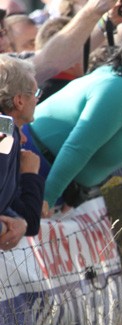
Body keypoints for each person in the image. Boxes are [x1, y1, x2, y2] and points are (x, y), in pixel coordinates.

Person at [23, 26, 122, 210]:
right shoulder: (120, 87)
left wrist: (75, 192)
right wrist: (47, 198)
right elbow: (77, 148)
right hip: (29, 166)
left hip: (51, 177)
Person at [0, 55, 43, 250]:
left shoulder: (8, 130)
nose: (37, 99)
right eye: (35, 93)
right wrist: (30, 175)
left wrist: (21, 222)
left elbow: (30, 222)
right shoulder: (5, 129)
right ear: (19, 101)